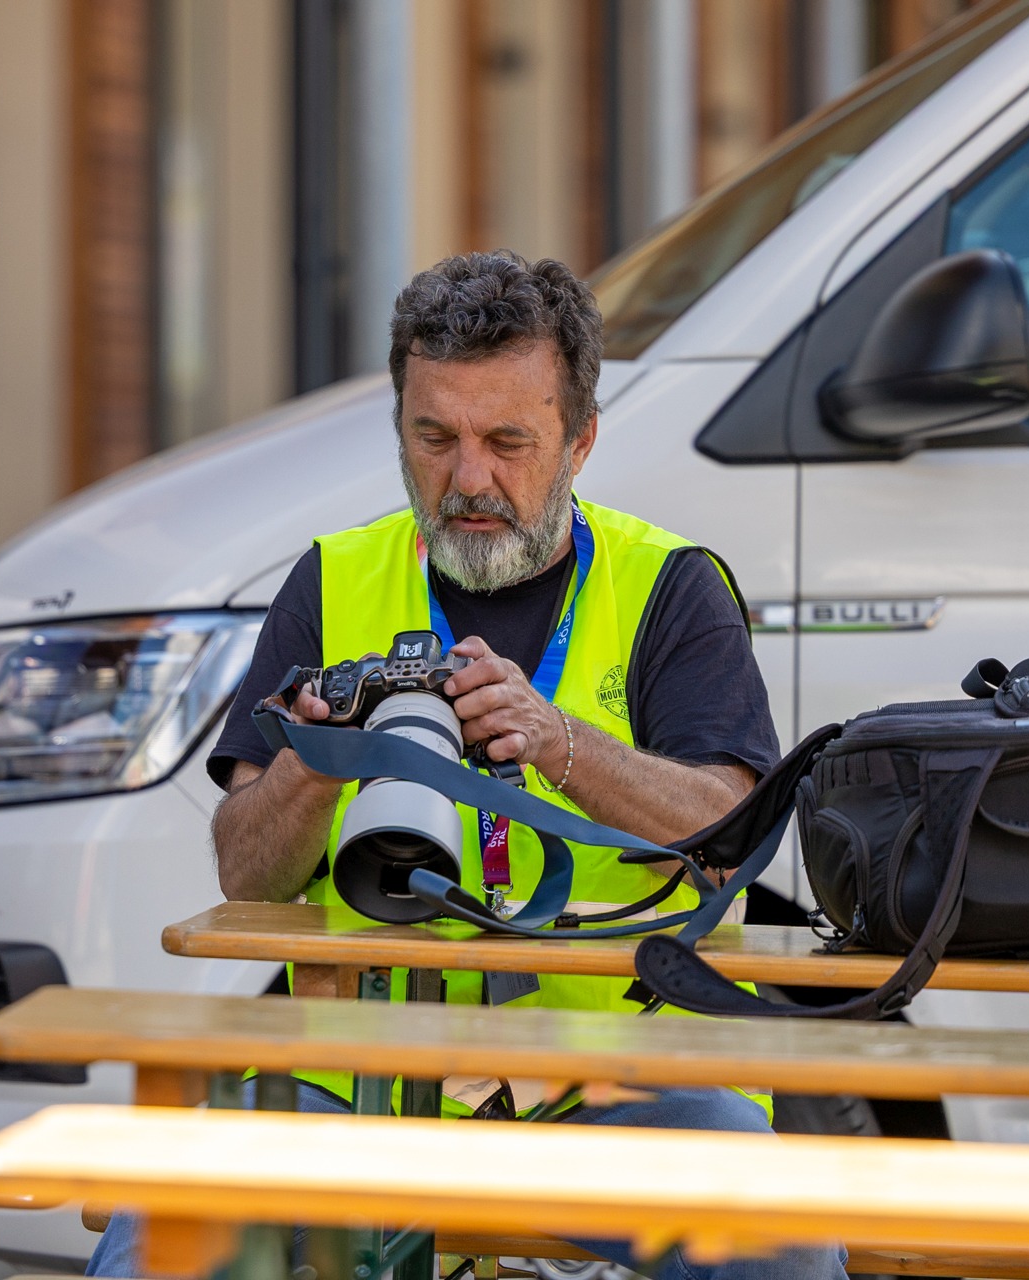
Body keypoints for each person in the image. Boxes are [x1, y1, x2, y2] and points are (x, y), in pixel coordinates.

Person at [87, 252, 844, 1280]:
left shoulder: (670, 587)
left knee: (783, 1240)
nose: (469, 480)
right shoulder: (333, 579)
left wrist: (557, 740)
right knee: (159, 1234)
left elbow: (727, 832)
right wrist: (325, 759)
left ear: (580, 441)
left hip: (622, 1082)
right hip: (362, 1079)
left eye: (507, 442)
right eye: (434, 438)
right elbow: (245, 873)